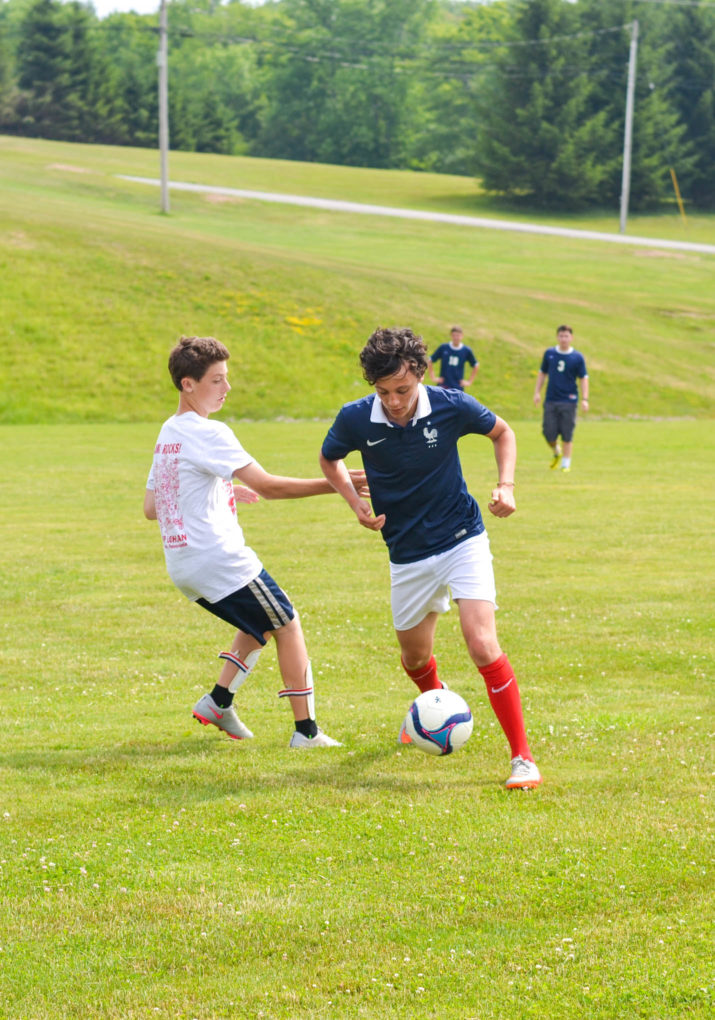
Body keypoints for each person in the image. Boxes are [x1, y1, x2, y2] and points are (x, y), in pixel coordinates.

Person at [319, 326, 542, 790]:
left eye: (402, 389)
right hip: (406, 553)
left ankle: (522, 758)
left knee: (481, 642)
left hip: (462, 537)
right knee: (414, 656)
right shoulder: (356, 418)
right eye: (383, 392)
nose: (394, 401)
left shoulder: (451, 404)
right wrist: (353, 502)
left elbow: (504, 434)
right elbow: (329, 459)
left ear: (420, 374)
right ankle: (435, 708)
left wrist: (506, 485)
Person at [144, 335, 366, 748]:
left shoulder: (168, 432)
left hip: (183, 565)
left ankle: (218, 701)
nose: (227, 389)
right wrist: (337, 483)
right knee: (287, 621)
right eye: (217, 380)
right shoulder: (210, 433)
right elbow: (270, 487)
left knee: (259, 623)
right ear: (188, 384)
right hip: (219, 559)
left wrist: (222, 490)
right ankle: (306, 732)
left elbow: (152, 506)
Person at [533, 324, 589, 472]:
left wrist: (585, 399)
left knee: (567, 433)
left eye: (566, 336)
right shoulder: (549, 354)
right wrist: (537, 392)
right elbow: (542, 374)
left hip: (569, 400)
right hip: (551, 399)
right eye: (561, 336)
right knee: (548, 432)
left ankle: (566, 464)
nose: (564, 339)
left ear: (571, 338)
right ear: (557, 337)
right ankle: (556, 452)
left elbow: (583, 378)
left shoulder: (577, 357)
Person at [428, 325, 479, 391]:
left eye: (458, 335)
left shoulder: (466, 350)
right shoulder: (444, 347)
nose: (456, 338)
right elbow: (430, 360)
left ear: (462, 336)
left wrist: (469, 382)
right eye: (454, 335)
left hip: (457, 387)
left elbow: (476, 365)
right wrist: (433, 377)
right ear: (451, 336)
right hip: (443, 385)